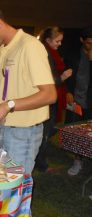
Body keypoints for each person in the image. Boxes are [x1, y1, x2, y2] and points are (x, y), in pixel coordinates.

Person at [0, 5, 57, 175]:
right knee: (1, 179)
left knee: (16, 185)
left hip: (24, 132)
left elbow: (49, 94)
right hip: (3, 128)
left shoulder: (29, 46)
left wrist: (8, 105)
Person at [35, 26, 73, 172]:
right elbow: (46, 79)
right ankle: (41, 163)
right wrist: (62, 77)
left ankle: (40, 160)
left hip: (53, 97)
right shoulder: (45, 53)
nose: (59, 44)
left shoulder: (51, 53)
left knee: (48, 130)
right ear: (48, 40)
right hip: (48, 98)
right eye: (57, 41)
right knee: (45, 132)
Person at [64, 26, 92, 176]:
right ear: (82, 40)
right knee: (76, 131)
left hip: (90, 101)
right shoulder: (73, 54)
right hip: (76, 100)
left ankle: (87, 155)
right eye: (88, 43)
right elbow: (67, 74)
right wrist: (68, 91)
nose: (90, 46)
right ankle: (78, 160)